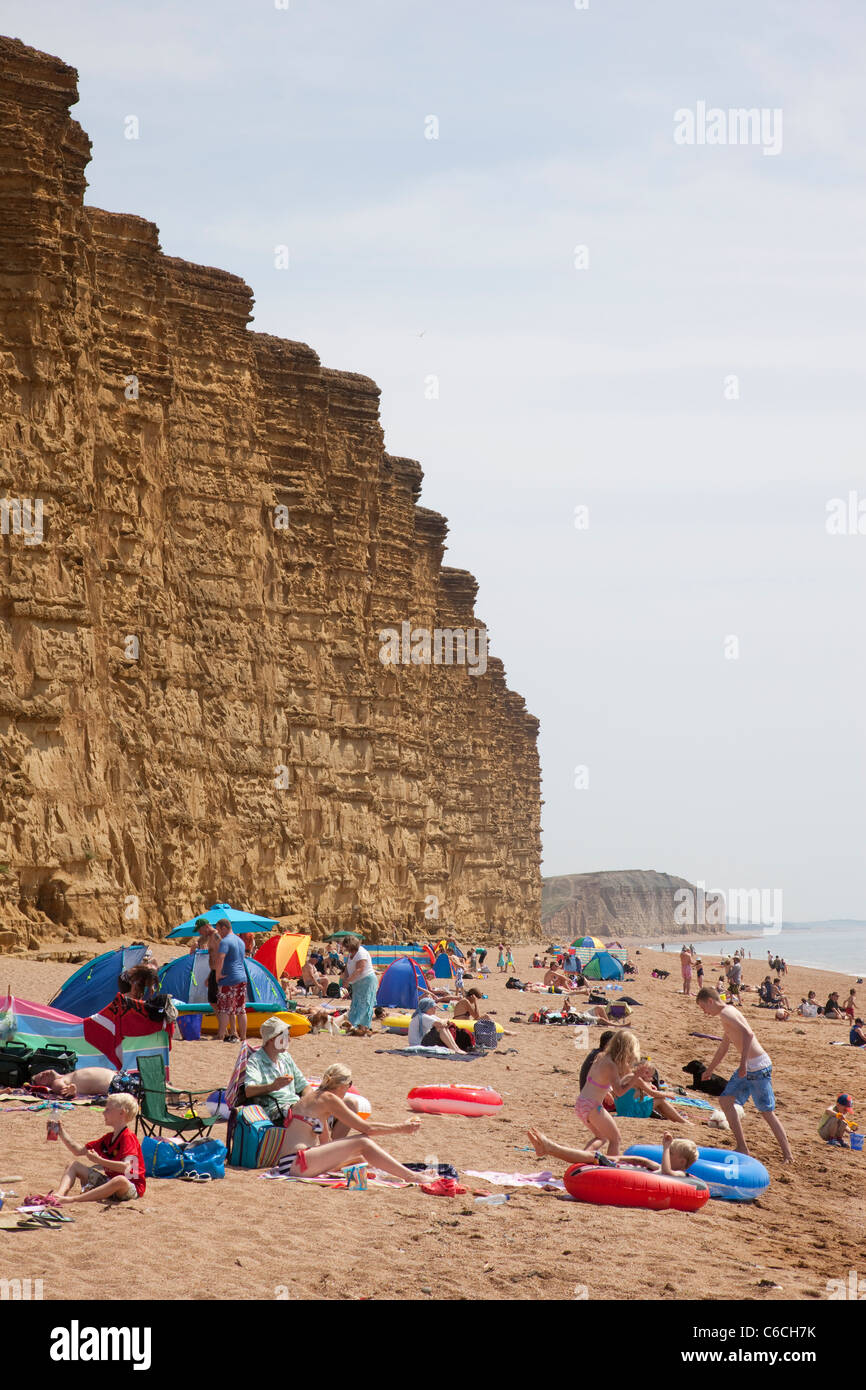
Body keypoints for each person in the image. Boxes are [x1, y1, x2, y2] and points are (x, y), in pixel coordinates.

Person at [696, 987, 793, 1163]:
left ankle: (788, 1154)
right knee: (725, 1101)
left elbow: (749, 1034)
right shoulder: (726, 1014)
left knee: (766, 1112)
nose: (704, 1012)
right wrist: (709, 1070)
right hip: (749, 1067)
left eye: (703, 1007)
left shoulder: (727, 1013)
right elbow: (724, 1047)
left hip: (757, 1068)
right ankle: (742, 1147)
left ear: (710, 1001)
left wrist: (742, 1064)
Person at [293, 1062, 422, 1145]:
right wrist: (401, 1128)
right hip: (300, 1162)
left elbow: (325, 1142)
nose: (349, 1088)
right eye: (349, 1084)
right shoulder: (328, 1099)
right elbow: (367, 1128)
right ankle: (413, 1176)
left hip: (294, 1158)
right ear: (342, 1085)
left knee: (359, 1151)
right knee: (363, 1142)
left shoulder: (317, 1097)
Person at [52, 1093, 145, 1205]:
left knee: (120, 1180)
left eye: (108, 1109)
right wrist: (61, 1132)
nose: (103, 1112)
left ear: (121, 1112)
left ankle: (72, 1200)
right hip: (110, 1183)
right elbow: (78, 1150)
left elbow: (127, 1168)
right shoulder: (108, 1138)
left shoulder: (128, 1137)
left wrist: (99, 1160)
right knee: (73, 1165)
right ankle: (58, 1196)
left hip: (130, 1187)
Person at [573, 1029, 653, 1156]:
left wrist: (607, 1092)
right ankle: (611, 1169)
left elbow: (596, 1079)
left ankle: (578, 1161)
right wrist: (636, 1076)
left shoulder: (601, 1057)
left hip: (581, 1103)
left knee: (601, 1137)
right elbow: (620, 1092)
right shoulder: (611, 1066)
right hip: (592, 1106)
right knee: (615, 1139)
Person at [527, 1126, 699, 1179]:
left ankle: (550, 1148)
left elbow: (667, 1173)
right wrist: (614, 1158)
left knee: (593, 1157)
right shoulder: (661, 1167)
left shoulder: (679, 1175)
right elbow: (638, 1159)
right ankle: (548, 1149)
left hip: (624, 1175)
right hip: (623, 1170)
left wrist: (667, 1146)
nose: (665, 1155)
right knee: (595, 1157)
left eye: (670, 1154)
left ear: (682, 1162)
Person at [215, 918, 247, 1042]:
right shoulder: (241, 941)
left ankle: (221, 1035)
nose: (218, 933)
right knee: (241, 1009)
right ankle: (243, 1037)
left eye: (218, 930)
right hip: (242, 977)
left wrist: (217, 975)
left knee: (224, 1009)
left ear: (224, 928)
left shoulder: (225, 942)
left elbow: (220, 959)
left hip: (229, 978)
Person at [342, 936, 378, 1035]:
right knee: (356, 1003)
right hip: (357, 982)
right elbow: (348, 967)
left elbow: (360, 969)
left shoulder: (361, 953)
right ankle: (354, 1025)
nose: (347, 949)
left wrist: (348, 981)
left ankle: (362, 1026)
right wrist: (345, 979)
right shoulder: (351, 954)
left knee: (364, 1003)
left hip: (366, 981)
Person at [30, 1066, 116, 1099]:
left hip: (119, 1077)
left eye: (42, 1072)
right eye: (42, 1077)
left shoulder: (66, 1075)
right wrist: (71, 1091)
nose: (44, 1074)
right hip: (116, 1086)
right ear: (45, 1085)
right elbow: (66, 1092)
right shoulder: (56, 1083)